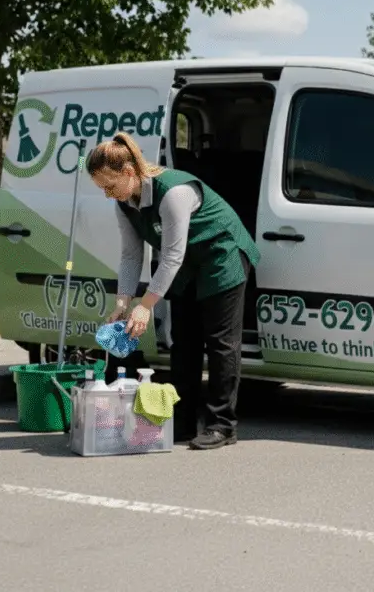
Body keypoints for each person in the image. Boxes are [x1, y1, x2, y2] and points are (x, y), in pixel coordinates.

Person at [85, 131, 261, 450]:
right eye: (101, 189)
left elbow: (171, 256)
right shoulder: (125, 204)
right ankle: (180, 421)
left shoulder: (173, 192)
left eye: (109, 186)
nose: (107, 195)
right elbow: (131, 254)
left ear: (128, 173)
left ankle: (222, 424)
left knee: (221, 343)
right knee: (184, 345)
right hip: (185, 267)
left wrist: (146, 305)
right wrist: (123, 302)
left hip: (220, 255)